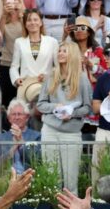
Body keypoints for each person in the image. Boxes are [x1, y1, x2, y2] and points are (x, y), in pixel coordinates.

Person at [36, 41, 93, 195]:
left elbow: (88, 107)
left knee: (70, 180)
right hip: (50, 131)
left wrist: (72, 113)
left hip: (72, 133)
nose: (60, 53)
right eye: (59, 51)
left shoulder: (82, 79)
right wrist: (55, 107)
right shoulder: (50, 76)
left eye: (64, 51)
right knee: (52, 178)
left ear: (72, 55)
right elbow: (40, 105)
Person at [10, 9, 60, 103]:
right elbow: (14, 66)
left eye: (35, 19)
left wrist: (49, 76)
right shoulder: (19, 42)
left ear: (41, 22)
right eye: (29, 20)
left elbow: (58, 67)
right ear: (25, 24)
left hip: (46, 85)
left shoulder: (52, 42)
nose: (32, 23)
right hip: (26, 87)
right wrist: (16, 79)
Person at [0, 98, 40, 173]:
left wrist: (22, 143)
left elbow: (37, 161)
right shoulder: (0, 138)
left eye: (20, 114)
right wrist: (14, 147)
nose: (17, 117)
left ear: (27, 117)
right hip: (7, 178)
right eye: (13, 114)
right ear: (9, 118)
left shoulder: (36, 136)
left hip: (29, 176)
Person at [0, 0, 26, 107]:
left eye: (14, 0)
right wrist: (4, 15)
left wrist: (22, 14)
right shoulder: (3, 20)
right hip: (6, 63)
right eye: (7, 2)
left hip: (23, 65)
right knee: (7, 100)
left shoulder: (24, 19)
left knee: (23, 99)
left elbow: (28, 34)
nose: (11, 4)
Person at [72, 17, 108, 88]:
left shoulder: (98, 52)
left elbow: (106, 75)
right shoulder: (69, 52)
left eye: (83, 28)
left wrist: (91, 65)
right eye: (76, 29)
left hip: (94, 91)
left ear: (89, 33)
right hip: (74, 91)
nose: (79, 31)